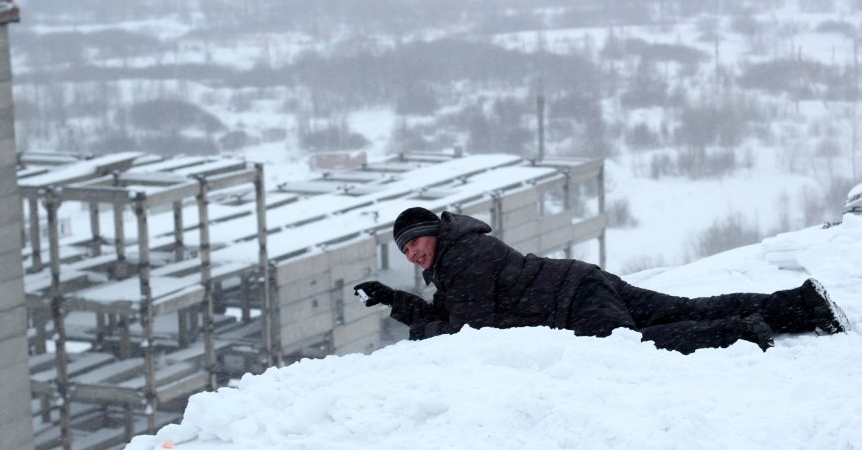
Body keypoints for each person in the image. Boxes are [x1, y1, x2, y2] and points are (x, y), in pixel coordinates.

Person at [354, 207, 852, 354]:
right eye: (406, 253)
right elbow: (457, 311)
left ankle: (744, 331)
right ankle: (806, 306)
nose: (414, 254)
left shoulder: (464, 257)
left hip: (573, 302)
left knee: (635, 346)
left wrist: (423, 331)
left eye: (416, 243)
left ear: (433, 235)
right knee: (686, 308)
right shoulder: (455, 261)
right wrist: (396, 301)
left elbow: (473, 326)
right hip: (583, 285)